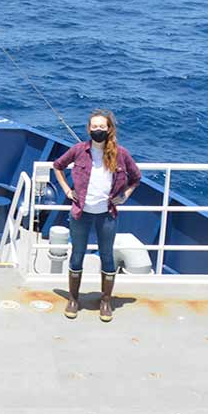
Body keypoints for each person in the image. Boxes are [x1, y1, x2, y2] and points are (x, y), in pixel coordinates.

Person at [51, 110, 141, 321]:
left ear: (109, 129)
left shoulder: (121, 154)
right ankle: (73, 299)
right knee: (77, 255)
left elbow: (136, 178)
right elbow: (58, 166)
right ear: (89, 129)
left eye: (102, 127)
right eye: (95, 127)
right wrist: (66, 189)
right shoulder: (79, 150)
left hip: (106, 215)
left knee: (107, 257)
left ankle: (106, 301)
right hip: (81, 213)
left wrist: (125, 195)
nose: (98, 130)